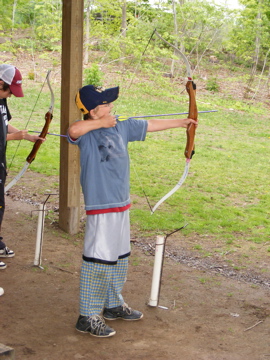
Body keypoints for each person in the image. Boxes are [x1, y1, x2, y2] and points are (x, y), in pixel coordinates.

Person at [67, 84, 198, 337]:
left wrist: (184, 122)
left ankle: (112, 304)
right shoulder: (87, 133)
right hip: (100, 206)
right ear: (93, 112)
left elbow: (149, 125)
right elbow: (73, 129)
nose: (111, 107)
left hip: (121, 203)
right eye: (105, 105)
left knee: (119, 256)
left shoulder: (121, 127)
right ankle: (87, 315)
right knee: (98, 259)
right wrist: (100, 124)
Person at [0, 64, 44, 279]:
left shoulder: (1, 99)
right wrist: (12, 138)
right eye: (9, 90)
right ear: (0, 83)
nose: (9, 95)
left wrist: (26, 136)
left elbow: (4, 124)